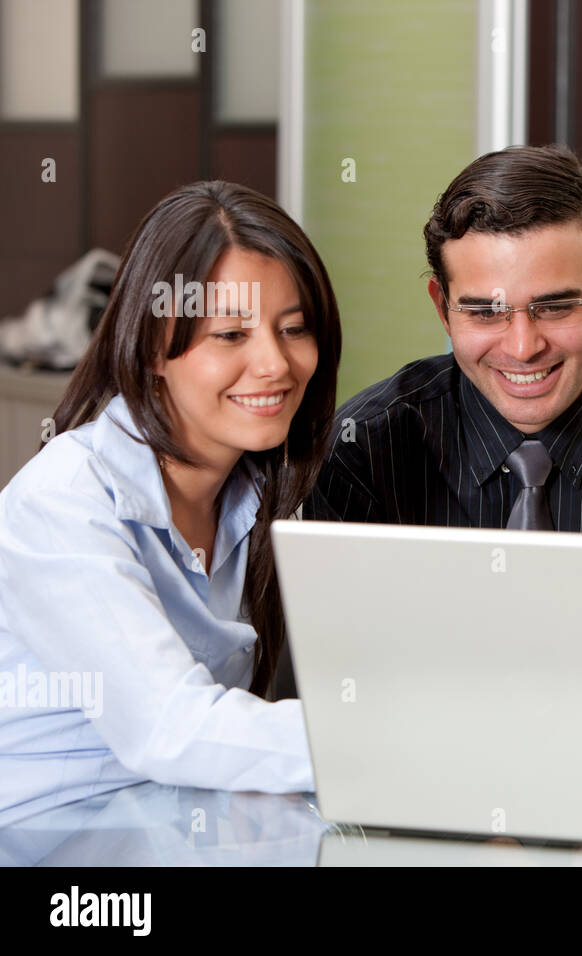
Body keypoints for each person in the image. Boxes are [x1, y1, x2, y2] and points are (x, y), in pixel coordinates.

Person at [0, 181, 341, 824]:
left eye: (294, 328)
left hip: (169, 828)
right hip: (41, 841)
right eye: (231, 335)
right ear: (155, 345)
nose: (275, 363)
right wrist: (392, 739)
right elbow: (172, 728)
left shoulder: (260, 494)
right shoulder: (64, 502)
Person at [304, 144, 582, 537]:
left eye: (554, 307)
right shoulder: (360, 452)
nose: (522, 347)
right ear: (443, 309)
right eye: (485, 312)